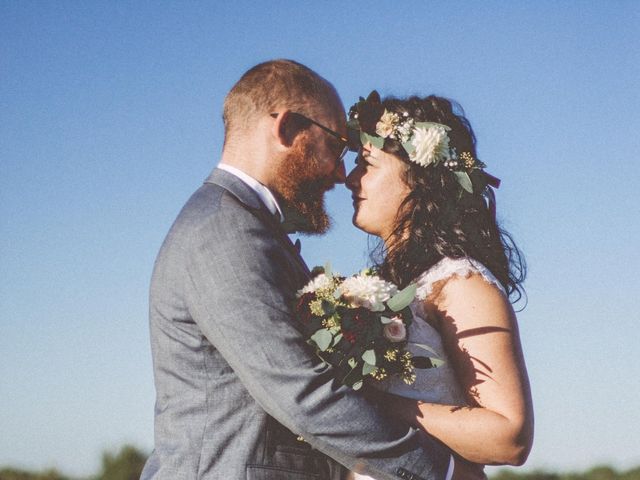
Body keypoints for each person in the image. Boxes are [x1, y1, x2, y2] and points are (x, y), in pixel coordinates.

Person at [140, 61, 464, 480]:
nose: (341, 172)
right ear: (288, 129)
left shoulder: (245, 226)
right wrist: (443, 472)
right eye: (336, 146)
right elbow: (300, 392)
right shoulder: (222, 230)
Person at [344, 92, 534, 478]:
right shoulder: (397, 286)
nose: (349, 179)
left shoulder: (460, 283)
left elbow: (509, 435)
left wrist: (368, 406)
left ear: (419, 176)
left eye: (366, 164)